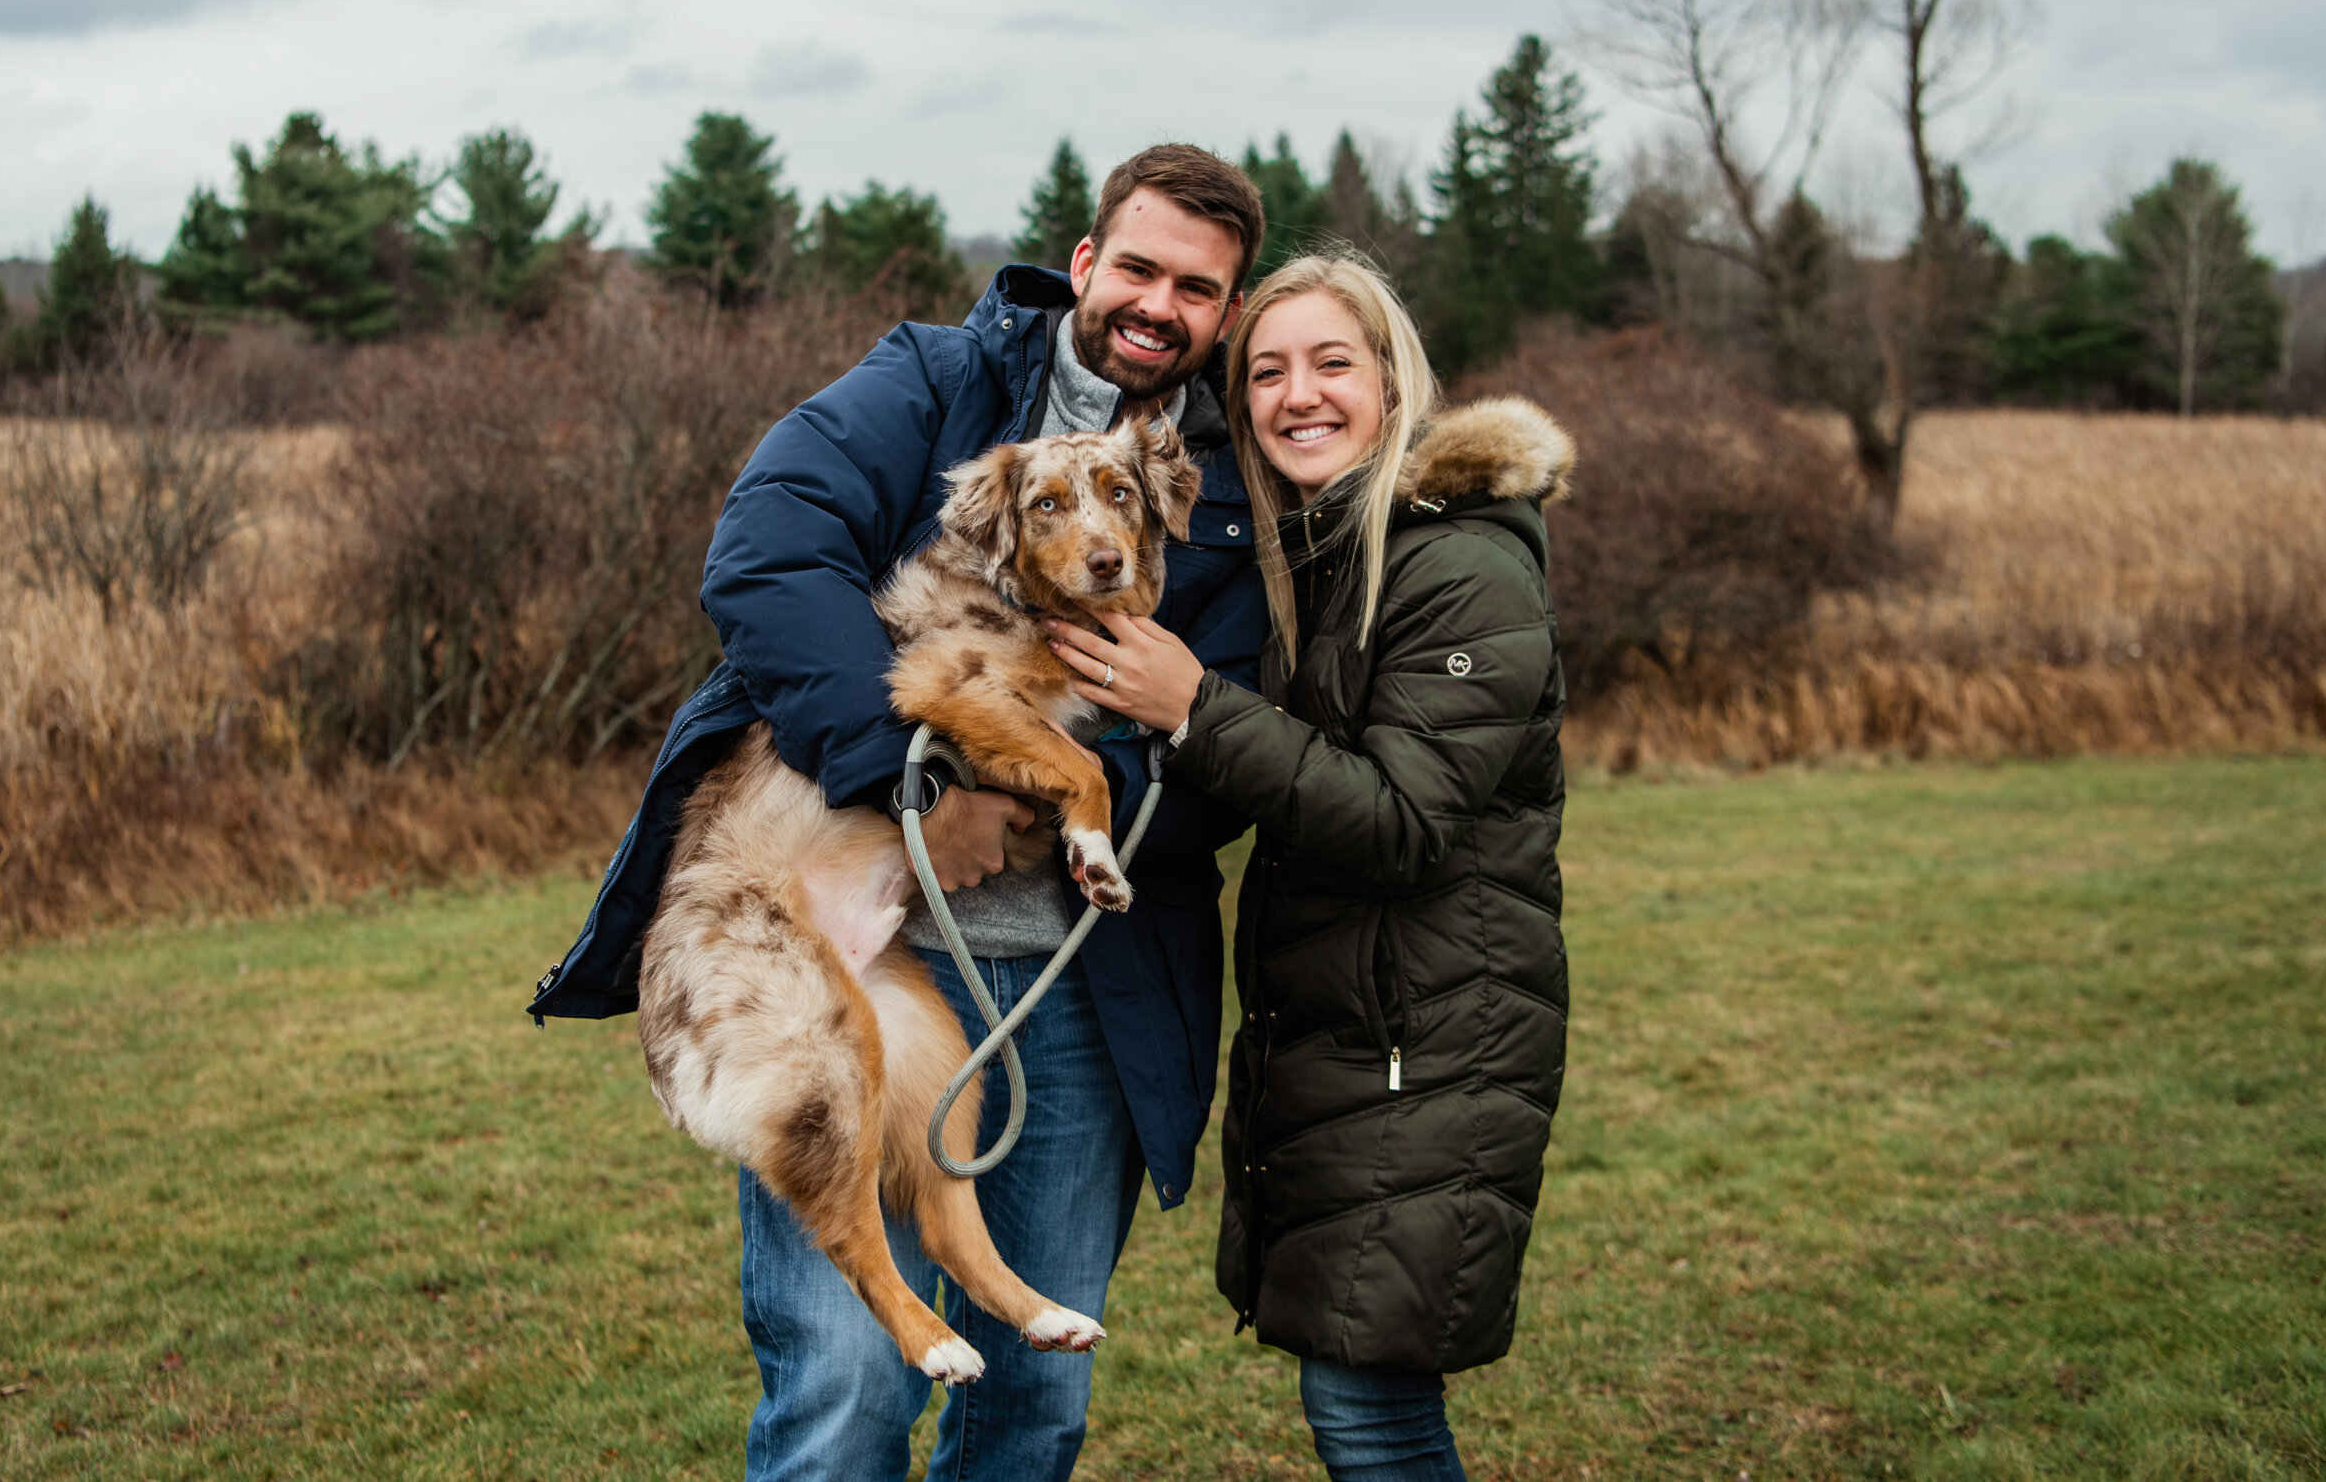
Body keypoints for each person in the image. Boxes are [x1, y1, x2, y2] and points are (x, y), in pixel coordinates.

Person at [529, 145, 1271, 1481]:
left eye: (1200, 288)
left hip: (1082, 985)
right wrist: (912, 785)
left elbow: (1254, 726)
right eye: (1143, 268)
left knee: (1034, 1406)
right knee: (845, 1394)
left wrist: (1183, 713)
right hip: (851, 940)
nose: (1163, 305)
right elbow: (769, 547)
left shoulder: (1229, 466)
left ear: (1228, 309)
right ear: (1089, 264)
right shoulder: (938, 379)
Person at [1046, 253, 1573, 1482]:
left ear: (1394, 381)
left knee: (1370, 1411)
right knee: (1361, 1401)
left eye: (1332, 362)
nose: (1298, 395)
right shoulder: (1331, 552)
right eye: (1266, 371)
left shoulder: (1459, 565)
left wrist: (1194, 706)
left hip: (1432, 1039)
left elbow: (1400, 820)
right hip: (1360, 1037)